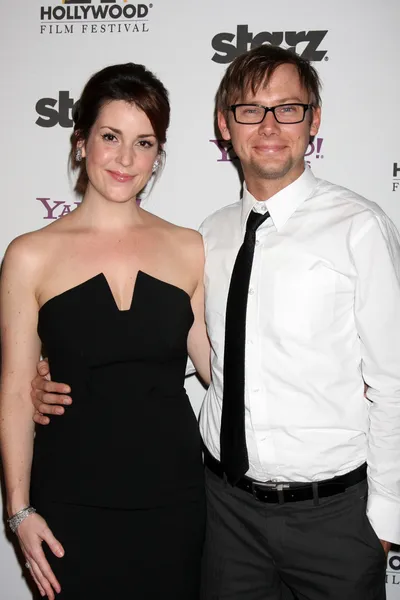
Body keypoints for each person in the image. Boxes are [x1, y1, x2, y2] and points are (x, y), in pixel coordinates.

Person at [31, 45, 400, 599]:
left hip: (334, 518)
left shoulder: (361, 227)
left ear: (314, 120)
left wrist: (385, 521)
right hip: (225, 515)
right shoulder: (208, 237)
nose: (269, 125)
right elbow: (191, 352)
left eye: (288, 108)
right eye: (250, 109)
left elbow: (394, 381)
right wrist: (41, 377)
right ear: (224, 125)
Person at [0, 62, 210, 600]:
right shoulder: (29, 255)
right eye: (110, 137)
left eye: (144, 143)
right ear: (80, 142)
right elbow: (16, 393)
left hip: (176, 499)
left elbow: (224, 371)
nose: (125, 158)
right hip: (70, 502)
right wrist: (19, 510)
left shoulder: (190, 248)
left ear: (157, 156)